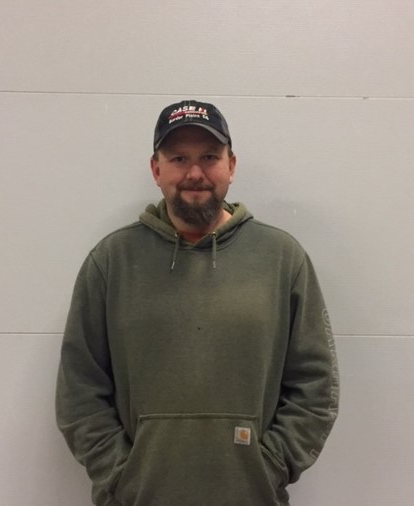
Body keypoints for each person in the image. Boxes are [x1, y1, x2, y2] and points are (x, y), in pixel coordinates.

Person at [56, 100, 339, 506]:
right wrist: (124, 474)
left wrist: (270, 466)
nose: (194, 173)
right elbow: (79, 389)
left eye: (209, 157)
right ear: (156, 169)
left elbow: (316, 385)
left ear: (231, 165)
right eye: (179, 158)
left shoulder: (281, 258)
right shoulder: (112, 260)